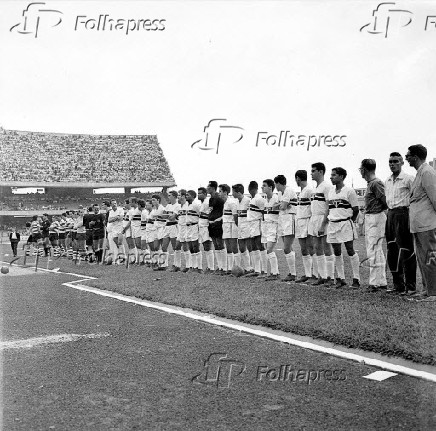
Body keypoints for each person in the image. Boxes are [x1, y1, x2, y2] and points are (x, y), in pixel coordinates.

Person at [406, 144, 436, 301]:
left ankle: (433, 292)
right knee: (422, 259)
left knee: (430, 258)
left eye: (408, 155)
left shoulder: (427, 172)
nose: (406, 158)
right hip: (418, 226)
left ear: (415, 157)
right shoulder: (419, 173)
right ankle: (426, 289)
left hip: (428, 225)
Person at [384, 152, 416, 294]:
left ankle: (410, 286)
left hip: (403, 214)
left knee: (406, 250)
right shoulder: (387, 181)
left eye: (395, 161)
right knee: (392, 251)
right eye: (390, 161)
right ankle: (398, 285)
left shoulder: (408, 179)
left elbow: (416, 198)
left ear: (402, 162)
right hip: (390, 214)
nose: (392, 164)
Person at [327, 167, 361, 288]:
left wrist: (349, 221)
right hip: (333, 224)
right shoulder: (330, 192)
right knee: (336, 252)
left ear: (341, 177)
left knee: (350, 250)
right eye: (331, 175)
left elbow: (356, 209)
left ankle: (356, 279)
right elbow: (328, 208)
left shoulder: (349, 191)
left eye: (334, 175)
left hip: (345, 223)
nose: (331, 177)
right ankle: (341, 278)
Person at [359, 159, 388, 290]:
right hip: (372, 216)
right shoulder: (371, 183)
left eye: (361, 168)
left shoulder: (375, 183)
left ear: (364, 169)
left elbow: (385, 201)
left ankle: (374, 282)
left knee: (373, 250)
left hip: (376, 216)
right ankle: (381, 281)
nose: (360, 171)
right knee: (377, 250)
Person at [309, 163, 335, 286]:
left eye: (313, 171)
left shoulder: (327, 187)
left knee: (326, 248)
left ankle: (330, 277)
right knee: (317, 248)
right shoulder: (314, 189)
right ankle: (322, 276)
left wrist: (323, 224)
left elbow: (328, 206)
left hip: (323, 219)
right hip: (314, 219)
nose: (311, 173)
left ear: (320, 172)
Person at [274, 174, 298, 282]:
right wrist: (281, 205)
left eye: (276, 184)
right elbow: (281, 205)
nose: (275, 186)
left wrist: (280, 205)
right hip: (283, 219)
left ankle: (293, 273)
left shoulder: (288, 190)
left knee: (286, 247)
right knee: (287, 247)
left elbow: (282, 206)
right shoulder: (280, 193)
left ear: (279, 183)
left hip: (290, 218)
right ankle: (292, 273)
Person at [295, 170, 315, 283]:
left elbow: (313, 207)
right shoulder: (301, 191)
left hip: (308, 221)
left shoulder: (309, 190)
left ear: (298, 178)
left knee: (311, 248)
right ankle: (308, 273)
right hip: (300, 222)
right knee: (303, 249)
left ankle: (316, 274)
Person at [261, 179, 280, 280]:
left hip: (274, 225)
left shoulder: (277, 198)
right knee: (266, 249)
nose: (262, 187)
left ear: (270, 187)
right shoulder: (264, 200)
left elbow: (285, 205)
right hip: (265, 226)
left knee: (269, 249)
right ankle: (274, 272)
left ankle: (275, 273)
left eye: (264, 186)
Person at [207, 181, 226, 274]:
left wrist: (218, 220)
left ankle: (225, 267)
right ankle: (220, 266)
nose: (207, 188)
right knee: (215, 245)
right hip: (211, 224)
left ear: (213, 188)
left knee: (220, 244)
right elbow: (211, 211)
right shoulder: (211, 199)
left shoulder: (219, 198)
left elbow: (223, 211)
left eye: (208, 186)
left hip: (218, 223)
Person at [220, 183, 238, 274]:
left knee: (234, 247)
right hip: (226, 226)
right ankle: (230, 268)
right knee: (228, 248)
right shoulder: (224, 203)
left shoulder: (231, 202)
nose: (219, 193)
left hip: (232, 226)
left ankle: (238, 268)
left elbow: (235, 216)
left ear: (225, 192)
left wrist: (237, 227)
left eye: (220, 191)